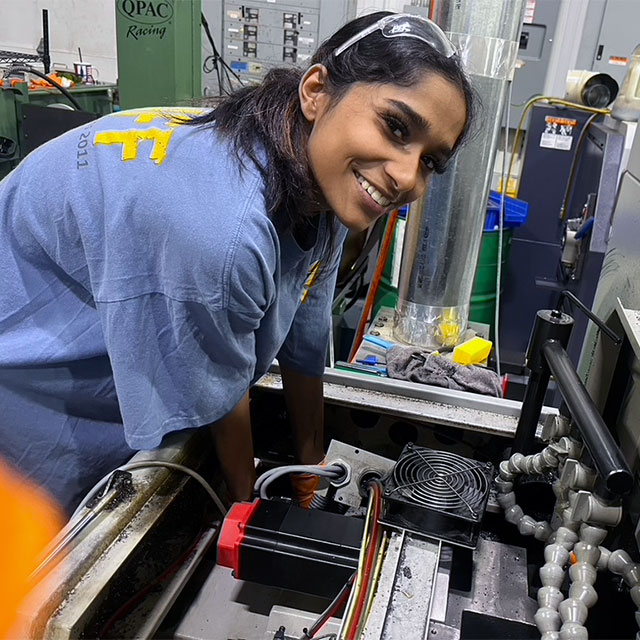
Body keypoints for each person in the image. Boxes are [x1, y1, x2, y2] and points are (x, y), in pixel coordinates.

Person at [0, 11, 475, 514]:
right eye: (396, 127)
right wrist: (248, 512)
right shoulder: (222, 228)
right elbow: (221, 399)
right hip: (29, 380)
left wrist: (311, 473)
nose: (407, 177)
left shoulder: (323, 185)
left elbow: (305, 339)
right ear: (316, 91)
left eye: (430, 161)